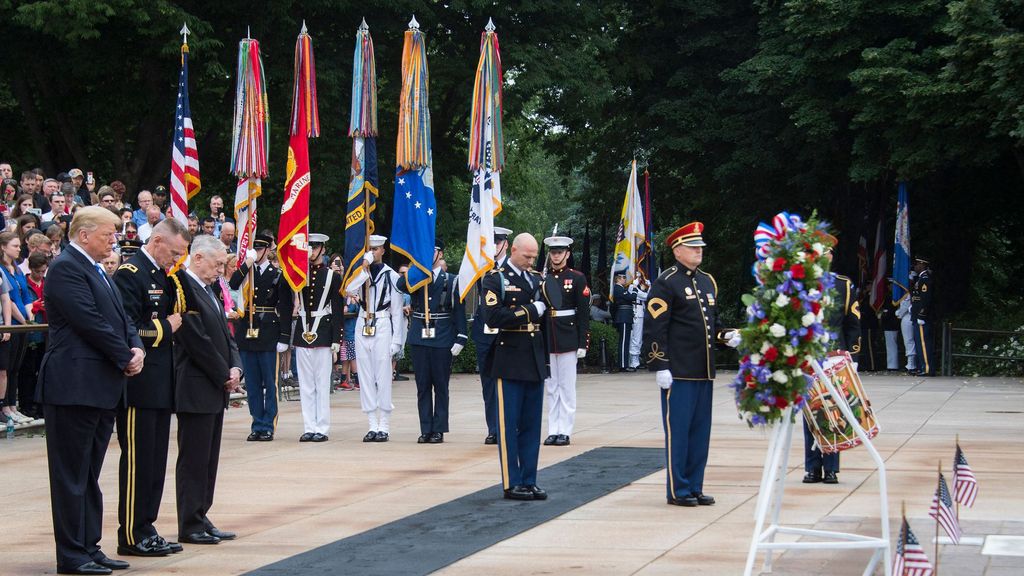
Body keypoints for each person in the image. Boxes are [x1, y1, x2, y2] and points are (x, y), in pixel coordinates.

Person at [37, 206, 144, 575]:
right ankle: (72, 554)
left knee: (89, 474)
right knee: (71, 475)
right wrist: (124, 356)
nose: (114, 240)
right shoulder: (67, 267)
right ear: (84, 235)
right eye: (108, 234)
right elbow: (89, 322)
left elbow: (122, 317)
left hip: (99, 385)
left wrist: (136, 347)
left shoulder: (97, 268)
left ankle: (89, 545)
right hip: (74, 385)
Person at [642, 222, 737, 507]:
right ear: (677, 250)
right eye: (693, 247)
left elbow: (712, 324)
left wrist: (727, 336)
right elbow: (655, 327)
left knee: (699, 434)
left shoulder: (707, 281)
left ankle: (695, 485)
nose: (699, 252)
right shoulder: (666, 282)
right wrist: (660, 365)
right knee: (679, 433)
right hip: (678, 372)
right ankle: (678, 489)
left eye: (700, 247)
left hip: (703, 371)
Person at [112, 218, 190, 557]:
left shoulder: (162, 274)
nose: (175, 261)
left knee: (156, 462)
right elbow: (127, 326)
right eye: (173, 253)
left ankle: (148, 526)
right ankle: (131, 532)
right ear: (157, 241)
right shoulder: (130, 273)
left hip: (161, 381)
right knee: (138, 462)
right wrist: (165, 327)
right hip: (139, 383)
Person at [172, 234, 241, 546]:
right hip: (197, 384)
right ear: (197, 258)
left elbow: (226, 336)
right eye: (217, 264)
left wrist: (236, 366)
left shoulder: (210, 288)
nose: (220, 270)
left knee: (209, 459)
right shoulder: (183, 287)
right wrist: (221, 373)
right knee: (194, 459)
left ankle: (202, 513)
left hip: (216, 385)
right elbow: (195, 339)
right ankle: (189, 521)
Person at [479, 233, 549, 501]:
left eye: (533, 257)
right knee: (509, 425)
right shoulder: (495, 279)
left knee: (532, 425)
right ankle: (512, 482)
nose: (531, 261)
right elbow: (494, 317)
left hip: (533, 357)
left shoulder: (537, 279)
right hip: (508, 358)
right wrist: (532, 310)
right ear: (514, 250)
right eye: (527, 256)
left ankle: (529, 479)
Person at [397, 238, 467, 444]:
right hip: (420, 336)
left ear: (440, 254)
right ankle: (425, 428)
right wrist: (415, 265)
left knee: (441, 385)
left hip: (443, 337)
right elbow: (400, 285)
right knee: (422, 386)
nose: (428, 254)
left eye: (432, 250)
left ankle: (439, 429)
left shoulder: (451, 280)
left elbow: (458, 310)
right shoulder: (418, 276)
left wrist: (461, 337)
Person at [803, 235, 860, 485]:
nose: (825, 257)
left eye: (828, 253)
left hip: (834, 354)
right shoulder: (798, 285)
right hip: (808, 355)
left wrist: (853, 356)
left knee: (834, 409)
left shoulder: (843, 286)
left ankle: (832, 468)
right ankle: (812, 467)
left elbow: (853, 323)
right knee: (811, 411)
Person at [277, 233, 343, 442]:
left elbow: (338, 310)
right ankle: (309, 425)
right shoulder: (299, 274)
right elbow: (287, 301)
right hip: (303, 332)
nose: (311, 251)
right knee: (306, 384)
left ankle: (322, 427)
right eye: (308, 247)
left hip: (323, 332)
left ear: (322, 250)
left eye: (314, 248)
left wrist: (336, 339)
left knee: (322, 383)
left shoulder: (333, 276)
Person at [346, 235, 406, 442]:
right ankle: (372, 423)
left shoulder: (391, 276)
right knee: (365, 375)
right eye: (369, 249)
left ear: (383, 251)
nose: (373, 252)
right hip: (363, 322)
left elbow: (397, 311)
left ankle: (384, 425)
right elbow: (348, 289)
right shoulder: (360, 271)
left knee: (382, 374)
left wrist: (397, 341)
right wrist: (364, 267)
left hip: (381, 323)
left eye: (376, 249)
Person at [229, 233, 283, 441]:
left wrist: (284, 336)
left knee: (269, 382)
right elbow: (233, 284)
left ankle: (268, 423)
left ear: (268, 250)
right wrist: (248, 262)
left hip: (268, 330)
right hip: (247, 331)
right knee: (251, 383)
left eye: (261, 249)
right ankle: (257, 423)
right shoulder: (246, 272)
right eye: (255, 249)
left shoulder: (276, 273)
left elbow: (283, 305)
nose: (258, 252)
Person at [540, 233, 589, 447]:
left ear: (567, 254)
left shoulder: (577, 278)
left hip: (568, 336)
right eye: (553, 252)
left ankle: (565, 430)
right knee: (551, 386)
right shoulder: (542, 278)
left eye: (560, 252)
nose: (556, 256)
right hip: (549, 336)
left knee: (567, 387)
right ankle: (553, 429)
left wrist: (582, 342)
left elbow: (583, 313)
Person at [470, 225, 512, 444]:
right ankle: (493, 428)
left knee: (507, 381)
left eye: (497, 242)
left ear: (506, 244)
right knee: (488, 382)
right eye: (490, 243)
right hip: (484, 329)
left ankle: (508, 425)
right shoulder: (479, 267)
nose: (493, 247)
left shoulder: (512, 270)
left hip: (506, 329)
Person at [910, 257, 934, 376]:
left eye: (917, 264)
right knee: (919, 343)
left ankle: (927, 368)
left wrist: (922, 315)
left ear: (922, 265)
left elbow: (926, 299)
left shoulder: (925, 280)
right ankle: (921, 366)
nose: (915, 267)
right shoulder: (919, 279)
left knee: (923, 343)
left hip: (921, 316)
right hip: (916, 314)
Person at [880, 279, 901, 371]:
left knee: (891, 345)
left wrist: (884, 314)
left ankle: (893, 365)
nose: (889, 287)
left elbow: (889, 311)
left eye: (890, 285)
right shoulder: (890, 296)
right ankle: (891, 365)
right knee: (890, 345)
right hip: (890, 323)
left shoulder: (893, 297)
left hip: (891, 323)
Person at [628, 277, 649, 369]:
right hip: (636, 314)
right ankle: (634, 362)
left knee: (638, 339)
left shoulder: (636, 289)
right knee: (636, 338)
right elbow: (648, 296)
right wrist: (651, 287)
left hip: (639, 314)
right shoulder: (632, 288)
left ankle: (635, 360)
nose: (640, 280)